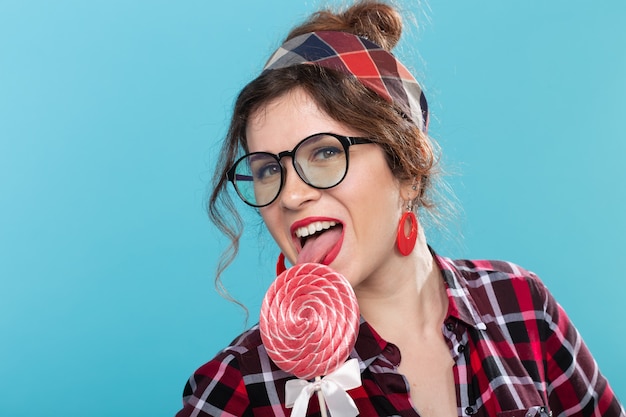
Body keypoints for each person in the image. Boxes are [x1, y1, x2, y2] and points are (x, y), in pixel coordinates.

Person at [176, 1, 624, 416]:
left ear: (409, 167)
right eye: (267, 170)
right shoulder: (239, 386)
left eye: (325, 153)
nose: (291, 196)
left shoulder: (521, 306)